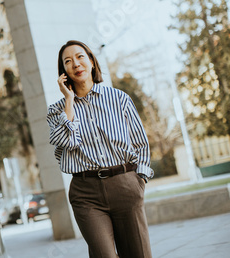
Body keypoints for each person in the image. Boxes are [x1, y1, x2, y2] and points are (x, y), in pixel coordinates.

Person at [46, 40, 153, 258]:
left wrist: (139, 181)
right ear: (63, 72)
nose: (76, 63)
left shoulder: (119, 98)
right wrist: (69, 101)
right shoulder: (56, 111)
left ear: (92, 62)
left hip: (125, 185)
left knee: (138, 254)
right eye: (68, 61)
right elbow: (66, 142)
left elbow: (140, 142)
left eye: (80, 57)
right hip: (86, 194)